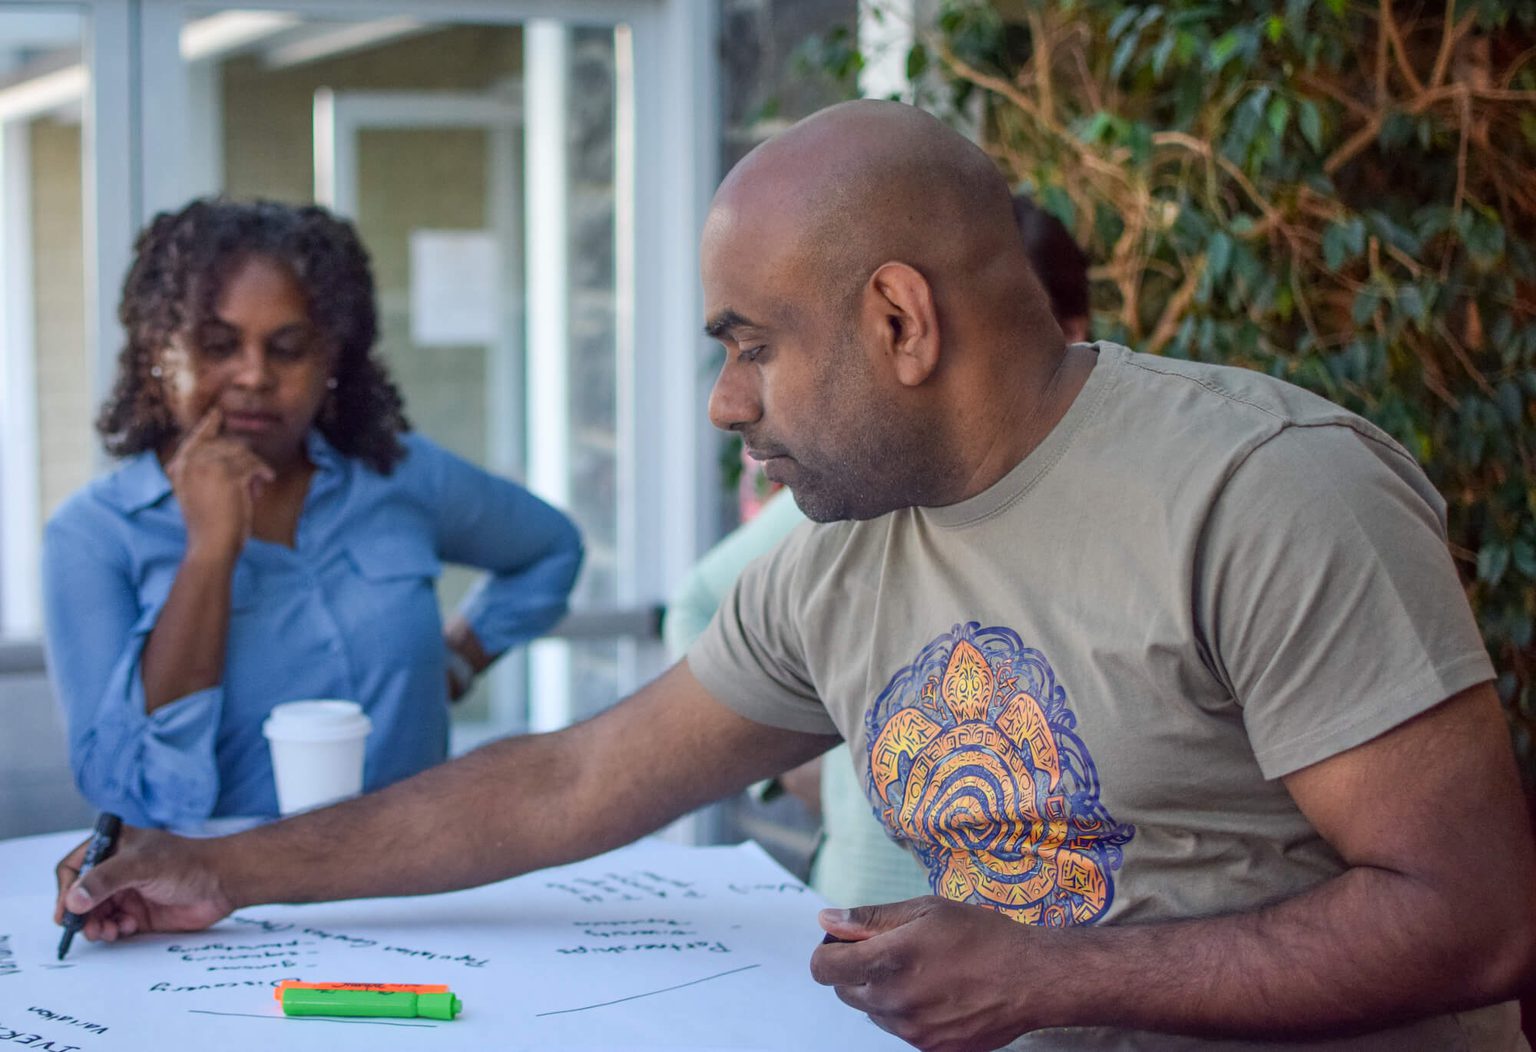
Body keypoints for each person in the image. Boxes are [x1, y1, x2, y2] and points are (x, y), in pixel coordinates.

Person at [53, 104, 1535, 1051]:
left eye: (750, 344)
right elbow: (566, 785)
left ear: (900, 322)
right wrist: (220, 872)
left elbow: (1474, 917)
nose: (725, 405)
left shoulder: (1267, 492)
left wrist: (1056, 975)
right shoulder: (837, 551)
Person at [42, 198, 583, 830]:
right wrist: (209, 553)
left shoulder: (397, 476)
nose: (253, 376)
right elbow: (136, 799)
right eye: (219, 345)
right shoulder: (93, 536)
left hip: (416, 886)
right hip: (224, 913)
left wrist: (459, 660)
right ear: (159, 354)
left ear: (332, 360)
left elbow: (550, 549)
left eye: (288, 348)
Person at [662, 193, 1092, 908]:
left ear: (1069, 331)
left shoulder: (1124, 499)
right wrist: (790, 767)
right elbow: (700, 602)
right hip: (855, 921)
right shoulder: (868, 490)